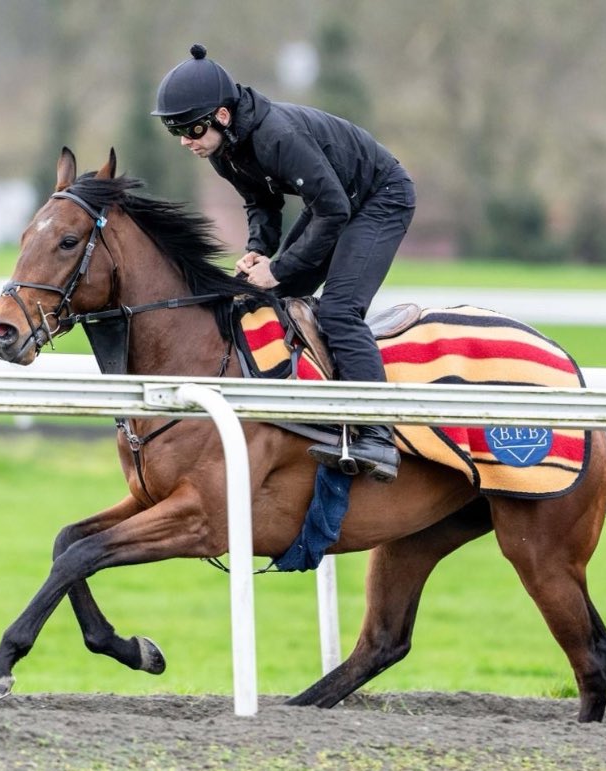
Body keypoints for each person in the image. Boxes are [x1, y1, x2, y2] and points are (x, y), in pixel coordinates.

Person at [152, 44, 415, 483]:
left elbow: (334, 212)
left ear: (221, 116)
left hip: (379, 197)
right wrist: (260, 249)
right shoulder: (223, 149)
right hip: (336, 199)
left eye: (190, 129)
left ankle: (377, 435)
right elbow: (261, 201)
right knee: (272, 297)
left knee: (339, 311)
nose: (185, 141)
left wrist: (278, 267)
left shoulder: (277, 136)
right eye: (174, 131)